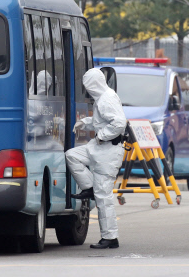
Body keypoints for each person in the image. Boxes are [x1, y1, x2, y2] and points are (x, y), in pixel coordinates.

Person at [66, 68, 127, 249]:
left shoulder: (106, 99)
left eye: (88, 86)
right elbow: (102, 120)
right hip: (98, 148)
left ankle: (110, 237)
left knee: (104, 198)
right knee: (72, 155)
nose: (87, 90)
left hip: (108, 152)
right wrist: (85, 122)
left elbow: (119, 123)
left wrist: (102, 136)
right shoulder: (103, 97)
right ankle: (89, 187)